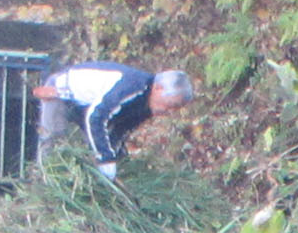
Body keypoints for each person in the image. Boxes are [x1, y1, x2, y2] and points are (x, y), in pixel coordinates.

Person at [31, 62, 191, 179]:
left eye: (175, 110)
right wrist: (105, 159)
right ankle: (43, 184)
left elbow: (119, 129)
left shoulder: (146, 106)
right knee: (54, 136)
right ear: (158, 88)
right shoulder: (133, 86)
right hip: (61, 93)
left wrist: (116, 159)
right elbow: (96, 117)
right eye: (171, 105)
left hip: (87, 106)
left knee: (95, 147)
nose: (169, 112)